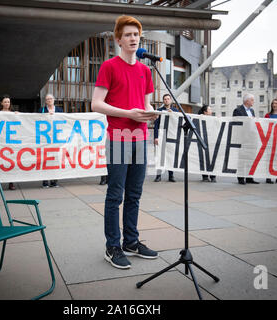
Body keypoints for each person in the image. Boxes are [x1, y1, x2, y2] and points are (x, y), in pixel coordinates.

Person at [92, 15, 159, 269]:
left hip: (140, 137)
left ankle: (131, 241)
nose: (133, 38)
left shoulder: (145, 70)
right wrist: (128, 113)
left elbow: (147, 103)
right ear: (118, 39)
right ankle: (113, 246)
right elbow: (96, 103)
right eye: (128, 35)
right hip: (119, 136)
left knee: (135, 194)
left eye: (136, 35)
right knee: (115, 195)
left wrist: (150, 112)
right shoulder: (109, 66)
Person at [232, 93, 259, 185]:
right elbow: (236, 123)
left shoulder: (252, 111)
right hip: (242, 138)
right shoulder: (237, 110)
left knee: (250, 157)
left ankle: (249, 177)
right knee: (242, 158)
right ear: (247, 101)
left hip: (251, 138)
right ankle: (241, 178)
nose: (253, 102)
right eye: (252, 100)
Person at [38, 94, 63, 188]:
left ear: (54, 99)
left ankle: (54, 181)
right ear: (45, 101)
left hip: (57, 139)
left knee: (56, 159)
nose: (49, 100)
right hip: (45, 139)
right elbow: (37, 120)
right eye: (47, 99)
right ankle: (45, 181)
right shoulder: (42, 110)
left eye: (51, 98)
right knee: (45, 159)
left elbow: (64, 121)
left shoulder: (59, 110)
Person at [153, 93, 178, 182]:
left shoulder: (175, 111)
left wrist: (173, 115)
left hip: (171, 136)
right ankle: (158, 175)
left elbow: (178, 122)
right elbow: (156, 125)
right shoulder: (159, 110)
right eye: (165, 99)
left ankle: (171, 176)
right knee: (160, 156)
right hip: (161, 135)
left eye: (168, 99)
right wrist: (156, 137)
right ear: (163, 101)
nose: (166, 100)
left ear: (171, 100)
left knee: (170, 156)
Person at [0, 95, 17, 190]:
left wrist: (18, 115)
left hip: (10, 141)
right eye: (5, 102)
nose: (7, 103)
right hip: (0, 141)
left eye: (8, 102)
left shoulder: (13, 114)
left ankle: (11, 183)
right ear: (2, 103)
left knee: (11, 163)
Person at [198, 105, 216, 182]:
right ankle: (205, 176)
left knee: (212, 158)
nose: (211, 111)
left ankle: (213, 176)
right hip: (203, 140)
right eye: (209, 109)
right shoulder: (200, 118)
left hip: (211, 141)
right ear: (205, 112)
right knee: (204, 159)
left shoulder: (213, 119)